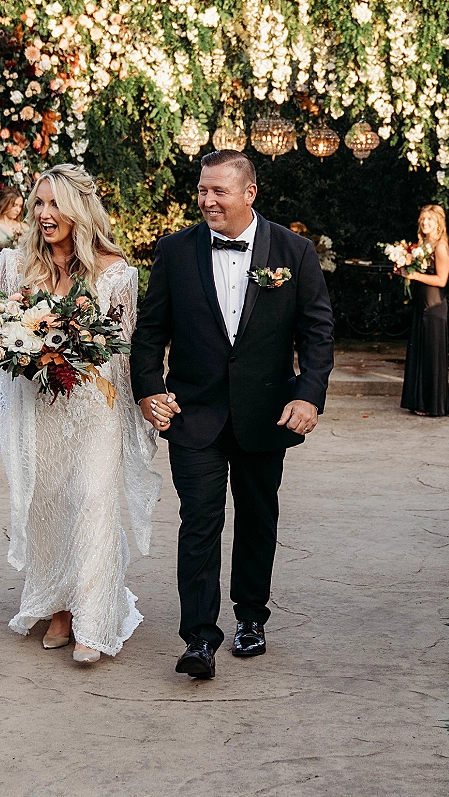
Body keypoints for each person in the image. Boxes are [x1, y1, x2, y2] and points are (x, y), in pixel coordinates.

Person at [131, 150, 334, 679]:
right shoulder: (175, 251)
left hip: (266, 414)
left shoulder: (295, 251)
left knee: (257, 519)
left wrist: (308, 394)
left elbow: (317, 333)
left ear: (249, 193)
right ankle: (199, 638)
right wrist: (149, 390)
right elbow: (150, 333)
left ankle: (251, 618)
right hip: (192, 413)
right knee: (198, 522)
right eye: (202, 190)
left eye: (219, 191)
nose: (207, 200)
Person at [0, 163, 161, 663]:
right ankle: (58, 607)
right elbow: (4, 337)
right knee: (47, 503)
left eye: (55, 204)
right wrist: (24, 352)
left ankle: (95, 618)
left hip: (97, 410)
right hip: (43, 407)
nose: (45, 215)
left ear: (79, 209)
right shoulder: (16, 267)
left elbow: (127, 352)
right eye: (39, 204)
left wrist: (145, 408)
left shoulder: (115, 272)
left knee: (92, 501)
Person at [399, 204, 449, 416]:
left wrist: (415, 276)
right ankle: (419, 402)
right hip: (421, 306)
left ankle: (435, 405)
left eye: (429, 219)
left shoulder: (440, 246)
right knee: (419, 353)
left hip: (434, 308)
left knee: (431, 356)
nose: (425, 223)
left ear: (438, 222)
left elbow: (442, 279)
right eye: (423, 219)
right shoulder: (422, 244)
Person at [0, 186, 27, 308]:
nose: (18, 210)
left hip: (22, 280)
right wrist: (12, 258)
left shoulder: (25, 227)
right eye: (14, 205)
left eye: (20, 206)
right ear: (5, 204)